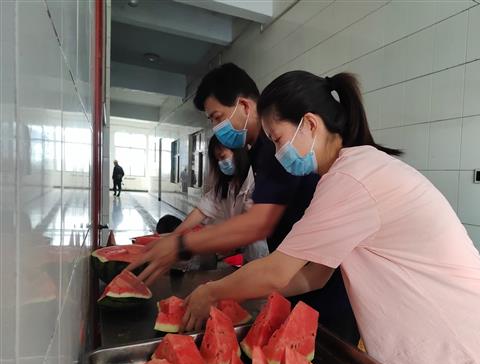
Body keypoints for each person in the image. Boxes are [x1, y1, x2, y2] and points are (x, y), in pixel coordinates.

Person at [176, 71, 480, 364]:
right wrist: (242, 293)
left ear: (309, 124)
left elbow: (278, 270)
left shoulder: (351, 179)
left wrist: (213, 291)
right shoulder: (354, 170)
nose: (278, 152)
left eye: (278, 139)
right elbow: (313, 276)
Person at [127, 63, 359, 345]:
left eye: (217, 117)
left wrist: (184, 249)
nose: (215, 128)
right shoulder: (276, 155)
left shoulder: (346, 176)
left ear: (245, 106)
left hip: (334, 298)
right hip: (304, 279)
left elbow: (259, 224)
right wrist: (237, 286)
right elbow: (311, 274)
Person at [173, 136, 268, 262]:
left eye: (222, 157)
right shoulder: (227, 185)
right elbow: (201, 210)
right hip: (244, 253)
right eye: (217, 160)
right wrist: (174, 236)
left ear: (237, 152)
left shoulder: (256, 181)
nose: (220, 163)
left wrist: (213, 236)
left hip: (261, 252)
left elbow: (250, 223)